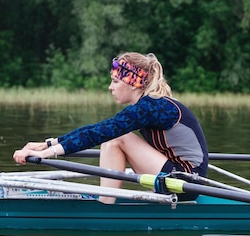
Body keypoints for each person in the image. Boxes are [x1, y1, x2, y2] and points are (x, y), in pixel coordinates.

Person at [13, 52, 208, 203]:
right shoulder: (145, 105)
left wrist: (49, 153)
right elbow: (98, 129)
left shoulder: (152, 106)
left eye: (115, 81)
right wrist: (48, 143)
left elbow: (100, 132)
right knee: (112, 136)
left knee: (117, 137)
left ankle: (105, 205)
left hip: (187, 183)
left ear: (133, 84)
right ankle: (106, 202)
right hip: (174, 177)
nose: (110, 87)